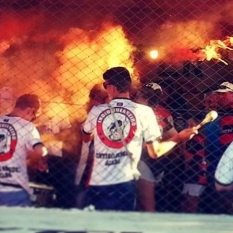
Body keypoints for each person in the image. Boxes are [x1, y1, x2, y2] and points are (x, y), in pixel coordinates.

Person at [81, 66, 197, 212]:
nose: (105, 89)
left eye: (105, 85)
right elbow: (155, 152)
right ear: (129, 86)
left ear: (112, 87)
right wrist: (178, 137)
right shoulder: (145, 112)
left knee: (97, 221)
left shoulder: (97, 111)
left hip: (99, 179)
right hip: (125, 179)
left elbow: (86, 137)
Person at [193, 82, 233, 214]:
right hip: (221, 155)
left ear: (232, 94)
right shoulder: (222, 113)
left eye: (223, 94)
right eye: (218, 94)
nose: (220, 97)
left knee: (229, 193)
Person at [134, 82, 178, 212]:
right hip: (157, 158)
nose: (137, 97)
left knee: (144, 201)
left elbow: (173, 135)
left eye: (140, 95)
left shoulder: (138, 111)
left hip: (145, 158)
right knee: (147, 199)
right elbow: (174, 136)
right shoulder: (163, 113)